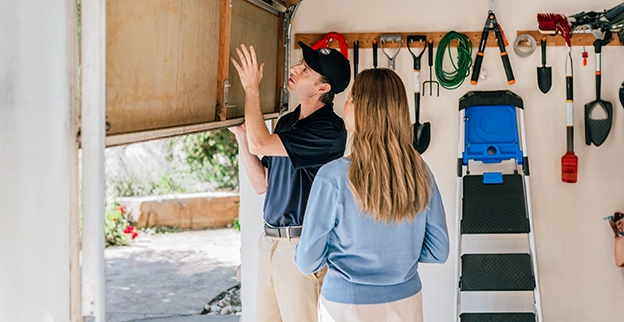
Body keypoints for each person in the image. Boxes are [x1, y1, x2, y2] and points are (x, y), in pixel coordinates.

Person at [295, 68, 449, 322]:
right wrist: (400, 255)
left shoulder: (332, 177)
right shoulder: (419, 170)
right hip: (406, 303)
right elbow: (438, 250)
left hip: (347, 306)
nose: (345, 104)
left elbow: (307, 261)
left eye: (352, 98)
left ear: (366, 109)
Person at [229, 42, 350, 322]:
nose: (296, 69)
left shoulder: (329, 130)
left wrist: (251, 89)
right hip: (269, 242)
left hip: (300, 248)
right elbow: (262, 183)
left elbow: (259, 142)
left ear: (323, 88)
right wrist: (240, 137)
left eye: (306, 70)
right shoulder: (287, 123)